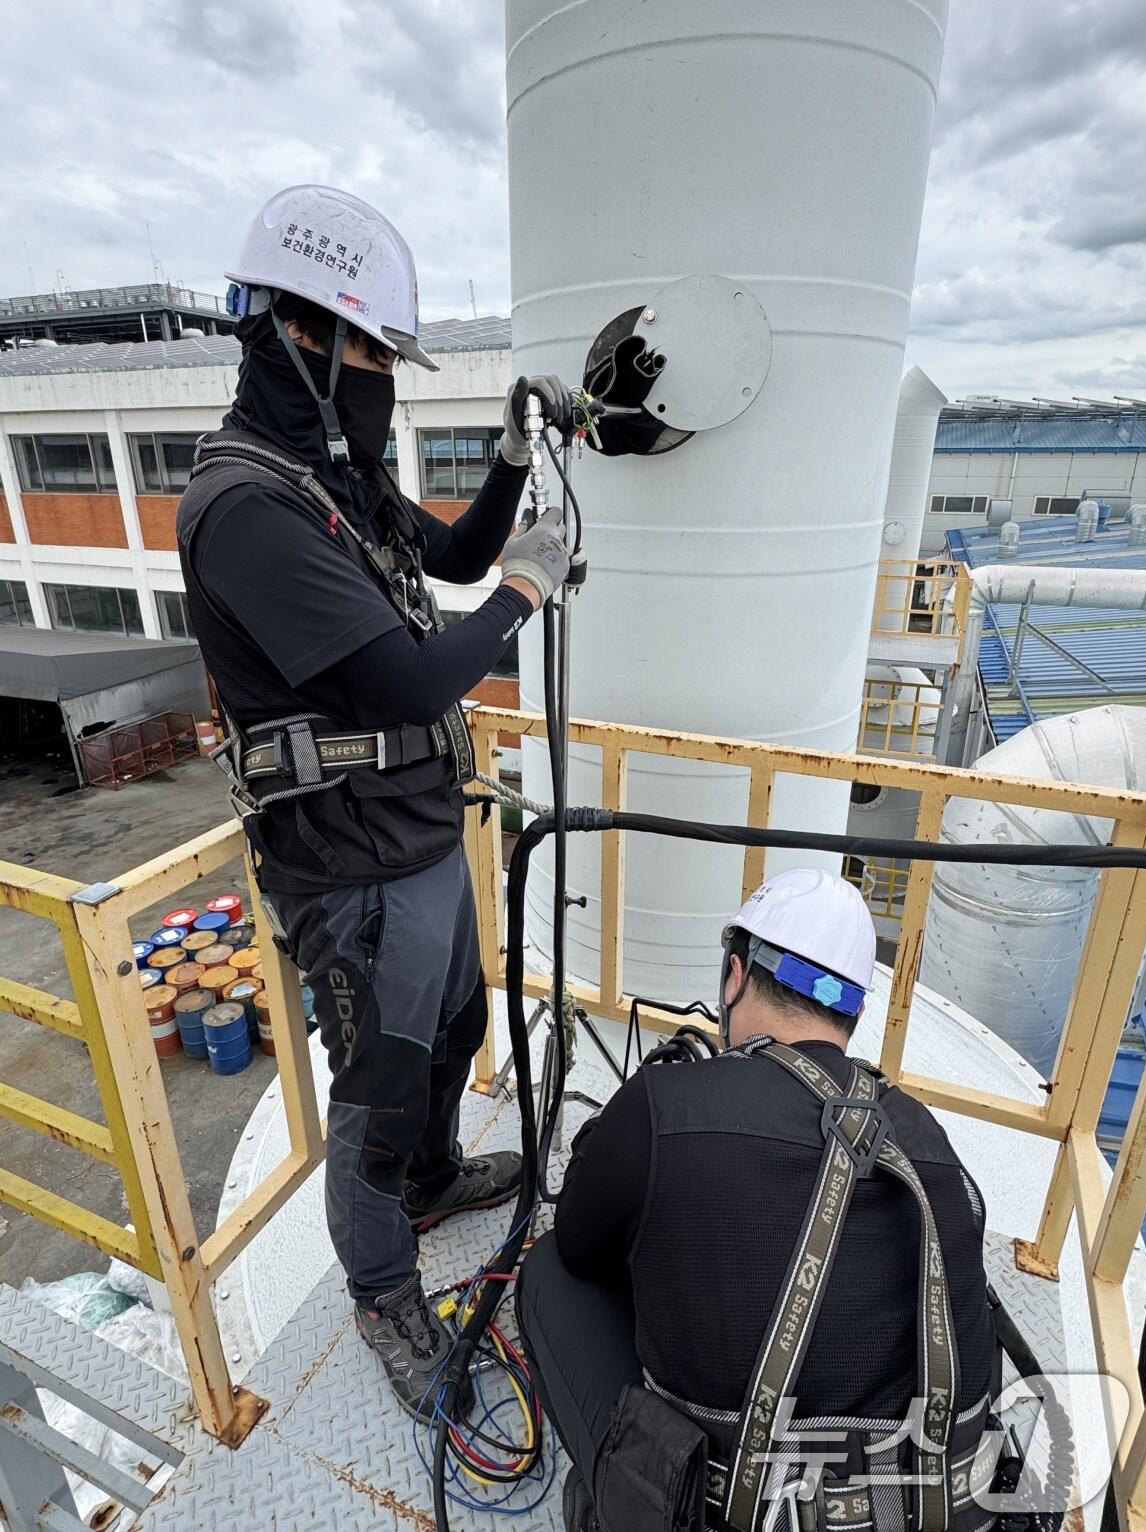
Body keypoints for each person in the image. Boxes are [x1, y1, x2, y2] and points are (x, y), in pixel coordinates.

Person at [177, 184, 572, 1419]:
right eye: (374, 352)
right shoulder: (246, 505)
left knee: (455, 1031)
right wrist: (527, 594)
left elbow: (445, 559)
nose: (382, 379)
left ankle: (434, 1176)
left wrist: (508, 466)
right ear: (304, 338)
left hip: (415, 836)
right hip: (345, 867)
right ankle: (383, 1283)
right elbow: (408, 672)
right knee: (379, 1085)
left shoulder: (325, 474)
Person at [517, 869, 998, 1532]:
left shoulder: (669, 1106)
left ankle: (610, 1500)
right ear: (851, 1014)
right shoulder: (929, 1141)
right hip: (926, 1507)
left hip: (729, 1510)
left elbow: (579, 1242)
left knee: (546, 1273)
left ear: (735, 975)